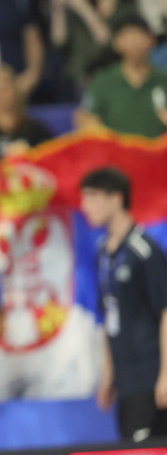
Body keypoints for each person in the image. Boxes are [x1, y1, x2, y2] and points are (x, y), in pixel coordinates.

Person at [80, 168, 167, 442]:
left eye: (92, 197)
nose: (85, 206)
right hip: (125, 380)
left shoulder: (145, 251)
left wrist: (166, 374)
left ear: (116, 199)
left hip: (150, 375)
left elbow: (166, 310)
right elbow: (108, 316)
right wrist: (108, 374)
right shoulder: (101, 253)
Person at [50, 0, 135, 88]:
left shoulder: (128, 9)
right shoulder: (78, 7)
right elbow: (59, 41)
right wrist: (57, 9)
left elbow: (110, 43)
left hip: (111, 80)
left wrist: (84, 7)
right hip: (76, 79)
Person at [80, 14, 167, 138]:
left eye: (139, 34)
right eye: (127, 35)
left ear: (152, 39)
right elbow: (88, 120)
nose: (134, 41)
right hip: (116, 154)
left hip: (158, 154)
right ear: (116, 43)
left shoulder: (163, 80)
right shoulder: (102, 82)